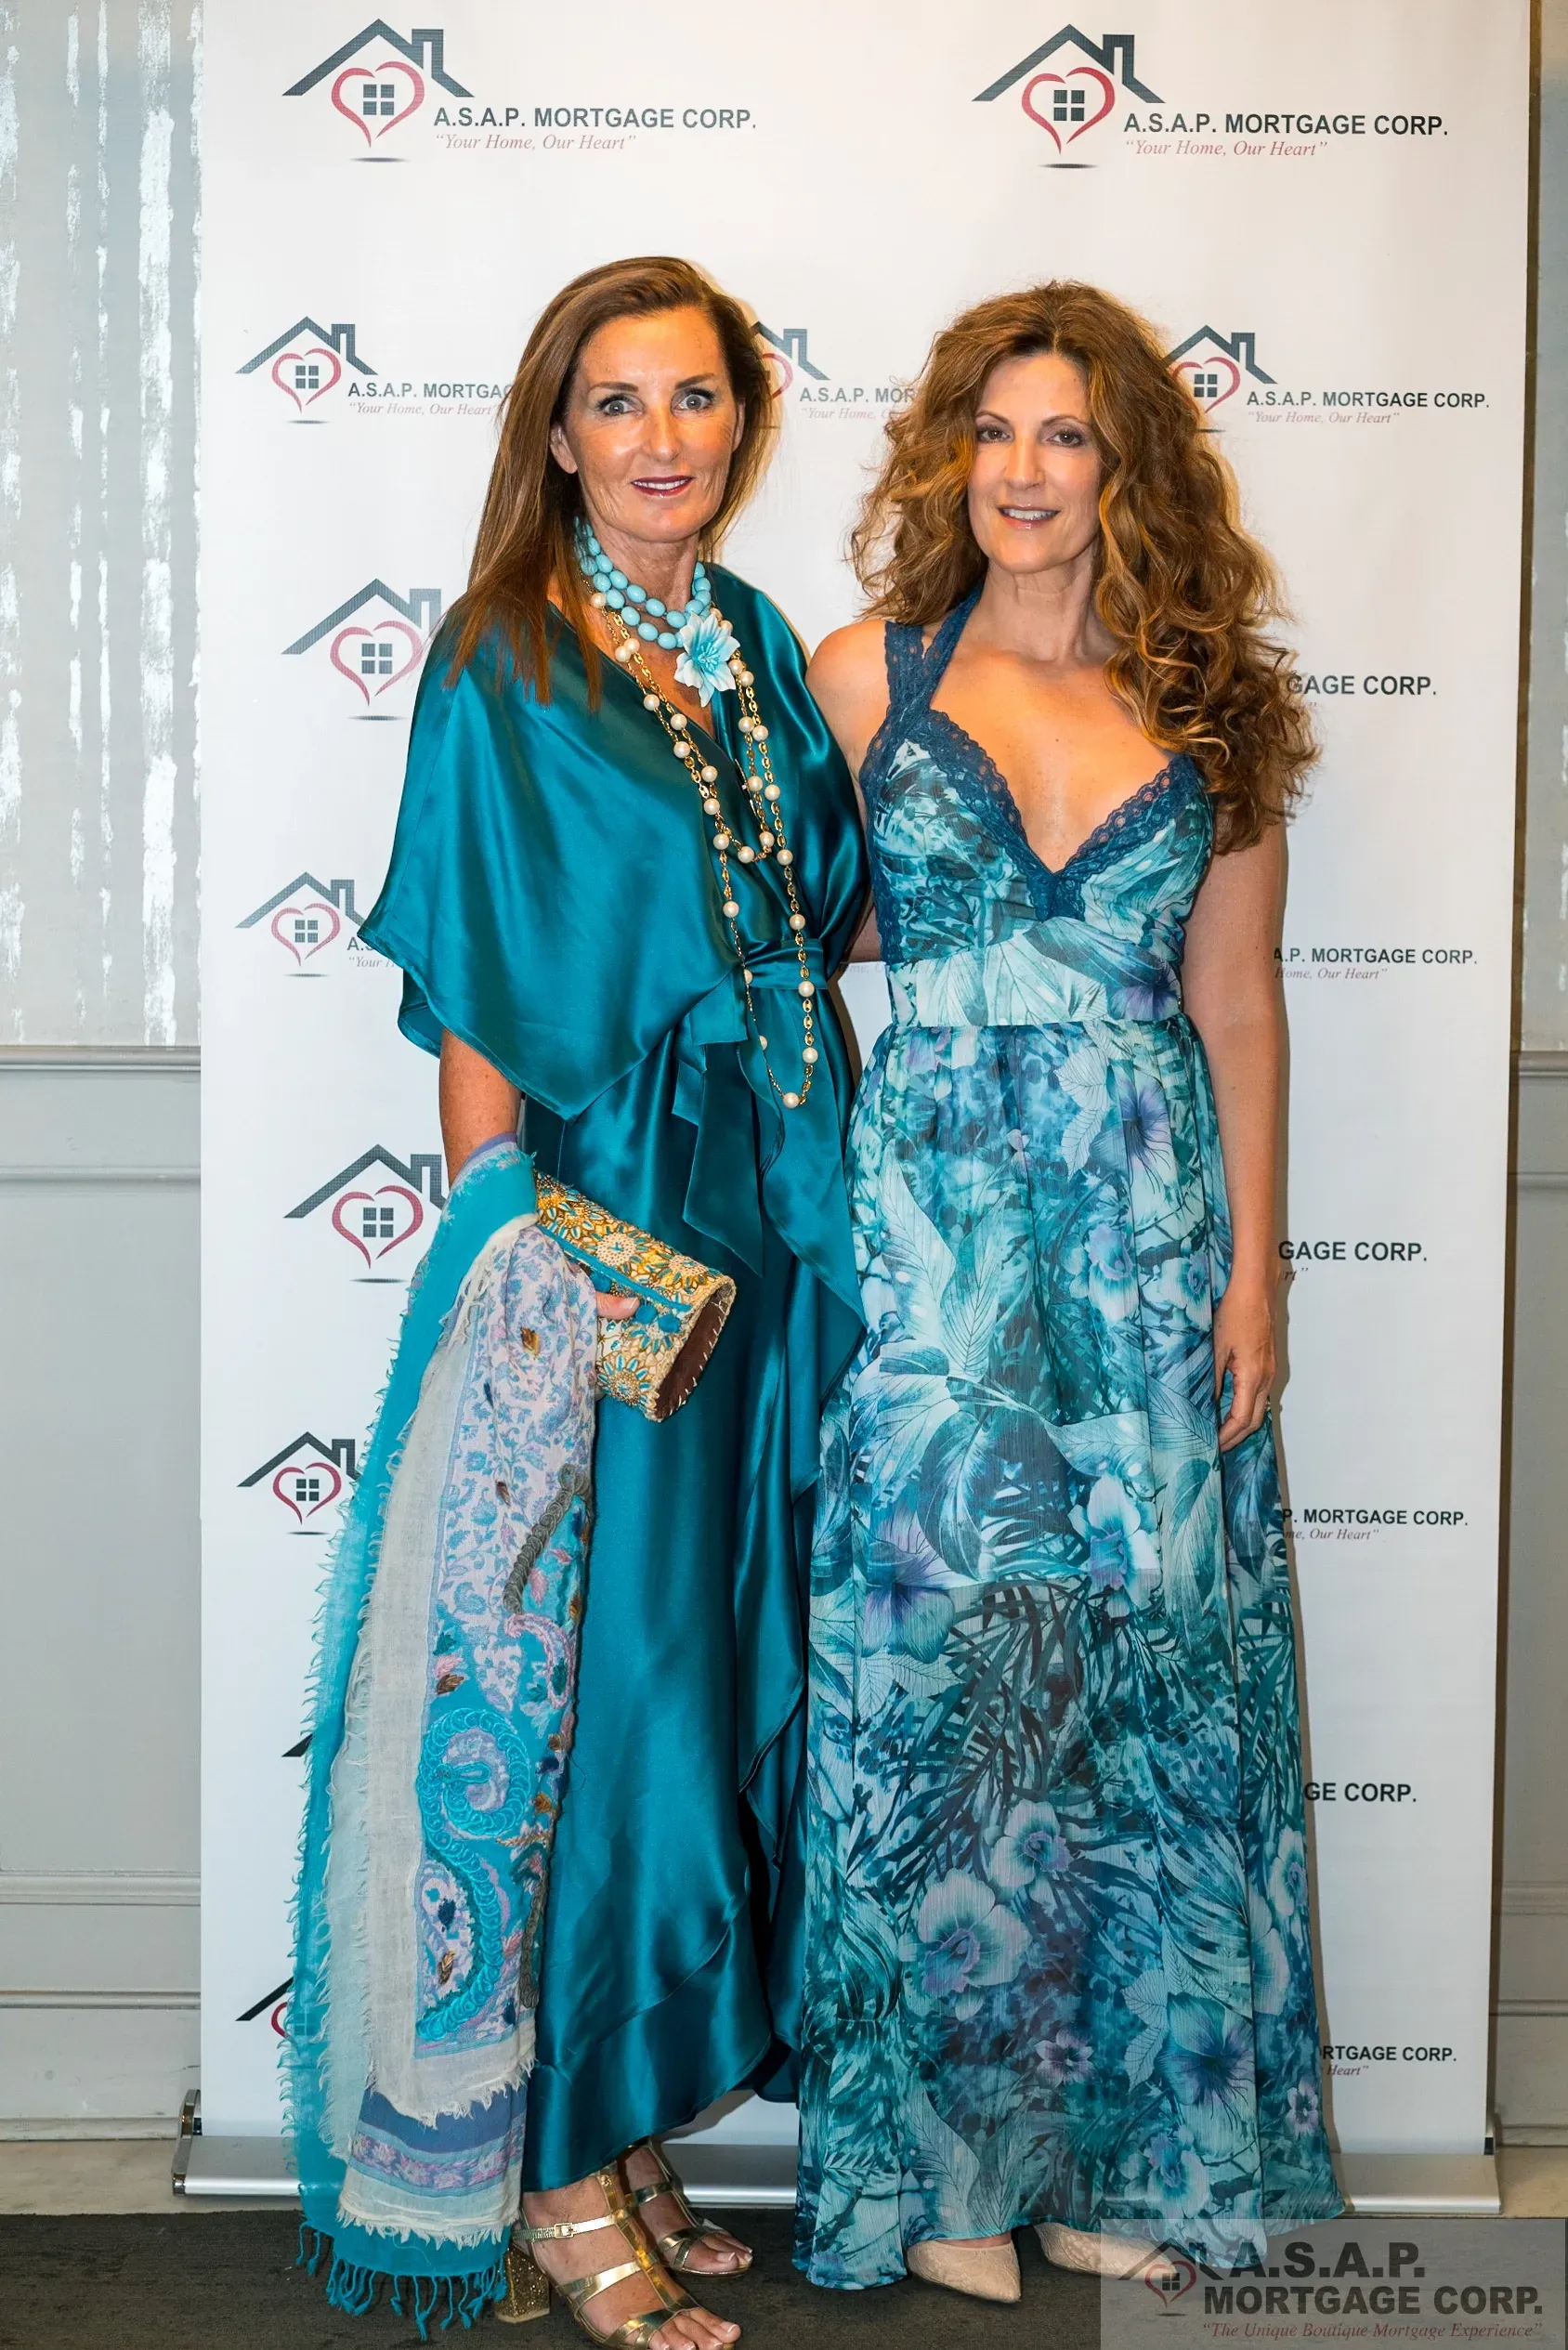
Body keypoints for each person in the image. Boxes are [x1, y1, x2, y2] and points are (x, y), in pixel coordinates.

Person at [287, 256, 867, 2349]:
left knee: (705, 1667)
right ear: (555, 436)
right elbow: (468, 968)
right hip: (604, 1222)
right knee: (588, 1681)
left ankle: (615, 2116)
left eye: (693, 398)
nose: (659, 438)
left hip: (776, 1210)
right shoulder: (506, 654)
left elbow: (813, 898)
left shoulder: (753, 638)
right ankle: (540, 2177)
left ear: (740, 421)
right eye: (614, 403)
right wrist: (499, 1240)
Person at [794, 281, 1343, 2301]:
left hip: (1137, 1237)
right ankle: (947, 2176)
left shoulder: (1214, 704)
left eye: (1065, 439)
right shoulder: (864, 671)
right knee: (948, 1690)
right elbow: (785, 937)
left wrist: (1257, 1274)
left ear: (1129, 469)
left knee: (1138, 1688)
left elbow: (1238, 1004)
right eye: (993, 434)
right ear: (952, 455)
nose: (1022, 474)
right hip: (933, 1248)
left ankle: (1121, 2147)